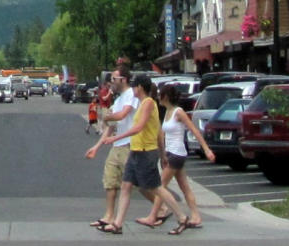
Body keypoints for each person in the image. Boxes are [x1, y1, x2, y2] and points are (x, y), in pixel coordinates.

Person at [96, 74, 191, 235]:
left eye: (134, 86)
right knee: (126, 186)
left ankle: (182, 218)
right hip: (136, 150)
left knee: (156, 188)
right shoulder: (141, 104)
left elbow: (139, 128)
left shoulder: (148, 103)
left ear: (140, 87)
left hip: (146, 152)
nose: (132, 89)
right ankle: (118, 224)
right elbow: (157, 131)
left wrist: (117, 137)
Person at [138, 83, 214, 229]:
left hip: (177, 153)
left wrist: (206, 149)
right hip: (170, 153)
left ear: (165, 96)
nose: (158, 97)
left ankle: (153, 216)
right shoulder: (167, 112)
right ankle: (196, 216)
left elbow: (194, 130)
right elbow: (162, 135)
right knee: (184, 187)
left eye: (160, 95)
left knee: (160, 186)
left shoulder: (178, 112)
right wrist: (162, 154)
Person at [84, 68, 139, 230]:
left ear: (123, 79)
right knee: (110, 180)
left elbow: (122, 115)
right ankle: (109, 216)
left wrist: (107, 116)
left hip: (130, 144)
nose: (111, 82)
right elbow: (111, 126)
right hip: (117, 145)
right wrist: (96, 147)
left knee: (141, 183)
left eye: (114, 78)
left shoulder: (131, 95)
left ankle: (162, 207)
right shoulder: (120, 98)